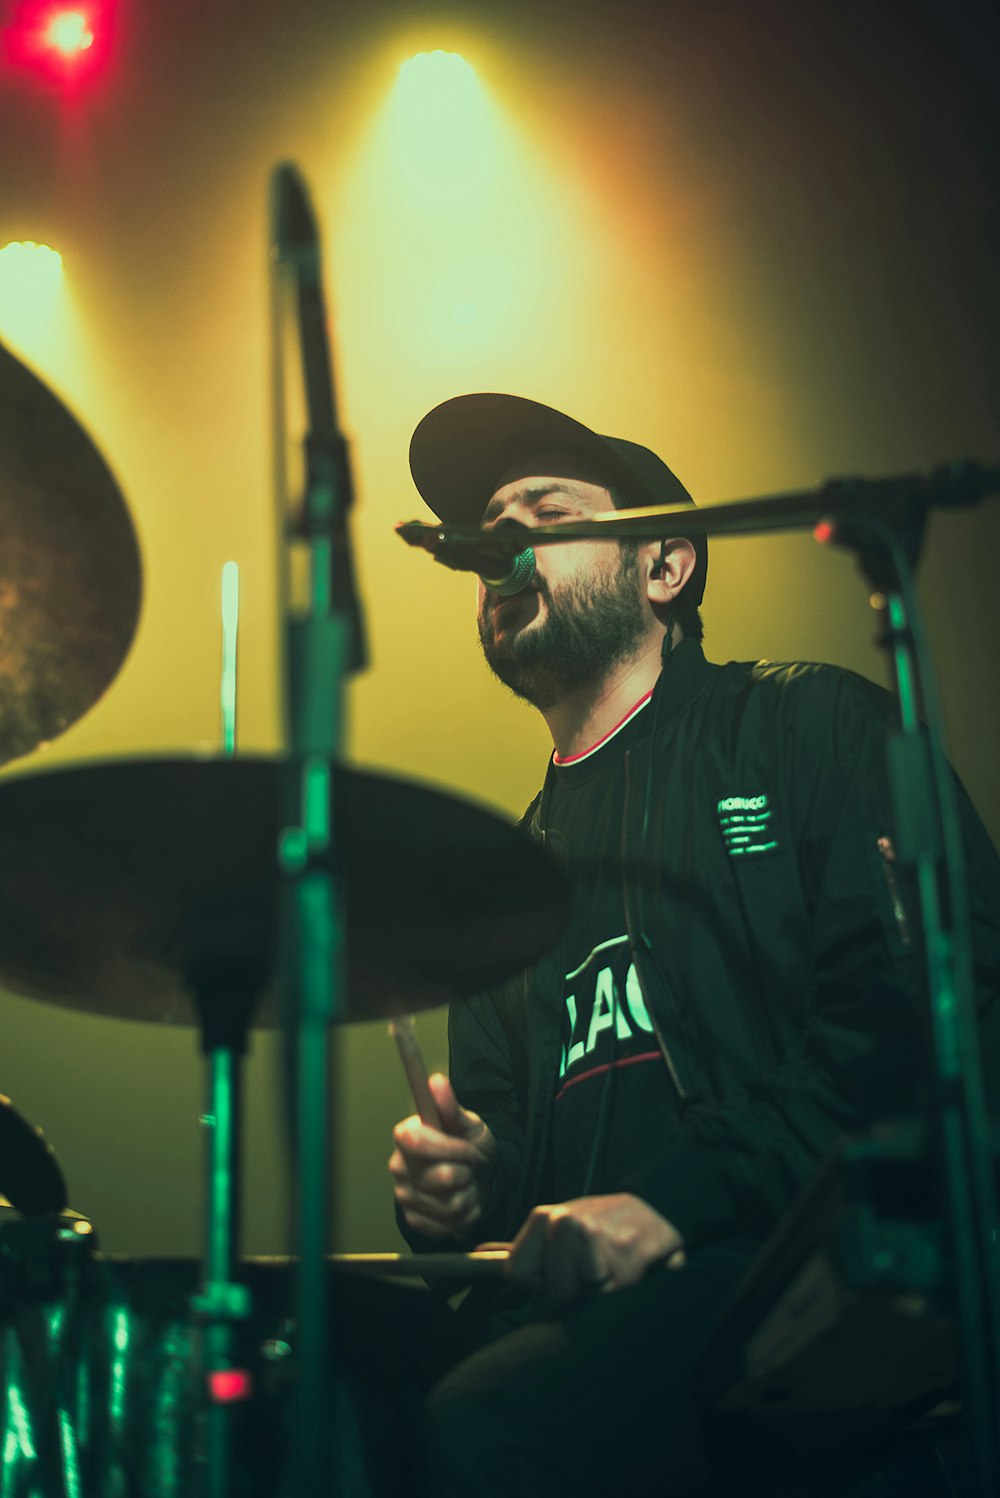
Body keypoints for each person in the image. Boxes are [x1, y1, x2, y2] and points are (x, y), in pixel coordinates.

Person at [388, 393, 1000, 1497]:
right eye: (490, 523)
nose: (503, 540)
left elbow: (923, 1011)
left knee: (488, 1424)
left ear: (664, 564)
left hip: (788, 1268)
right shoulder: (502, 891)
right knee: (327, 1398)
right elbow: (515, 1164)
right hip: (586, 1317)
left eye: (546, 508)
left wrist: (674, 1197)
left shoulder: (809, 726)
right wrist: (462, 1192)